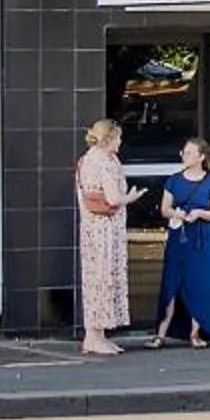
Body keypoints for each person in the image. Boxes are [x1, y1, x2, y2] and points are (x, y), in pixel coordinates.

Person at [74, 118, 146, 356]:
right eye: (118, 138)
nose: (120, 142)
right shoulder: (103, 162)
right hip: (103, 229)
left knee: (96, 278)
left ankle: (97, 335)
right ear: (109, 139)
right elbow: (113, 199)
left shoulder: (89, 159)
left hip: (94, 228)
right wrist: (132, 198)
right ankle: (94, 336)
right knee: (103, 277)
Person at [151, 137, 210, 348]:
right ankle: (161, 332)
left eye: (188, 153)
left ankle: (196, 332)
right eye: (183, 152)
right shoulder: (174, 180)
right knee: (171, 283)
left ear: (201, 157)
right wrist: (176, 213)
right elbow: (164, 209)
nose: (183, 156)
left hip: (202, 241)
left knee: (200, 285)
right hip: (179, 239)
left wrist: (201, 213)